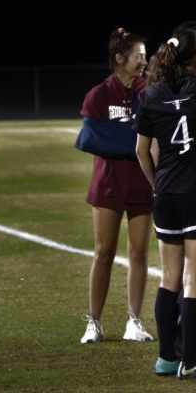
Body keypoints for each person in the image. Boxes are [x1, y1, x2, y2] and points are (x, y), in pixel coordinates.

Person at [135, 26, 196, 379]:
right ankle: (190, 361)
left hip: (166, 195)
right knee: (195, 279)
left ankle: (165, 358)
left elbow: (142, 151)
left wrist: (157, 186)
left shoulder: (152, 94)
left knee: (170, 279)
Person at [78, 27, 154, 345]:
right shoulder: (99, 95)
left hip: (141, 183)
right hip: (108, 186)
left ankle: (134, 321)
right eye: (139, 56)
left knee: (138, 252)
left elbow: (148, 140)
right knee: (104, 252)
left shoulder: (149, 92)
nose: (144, 62)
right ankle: (93, 322)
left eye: (145, 56)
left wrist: (122, 138)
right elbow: (90, 139)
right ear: (121, 59)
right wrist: (133, 139)